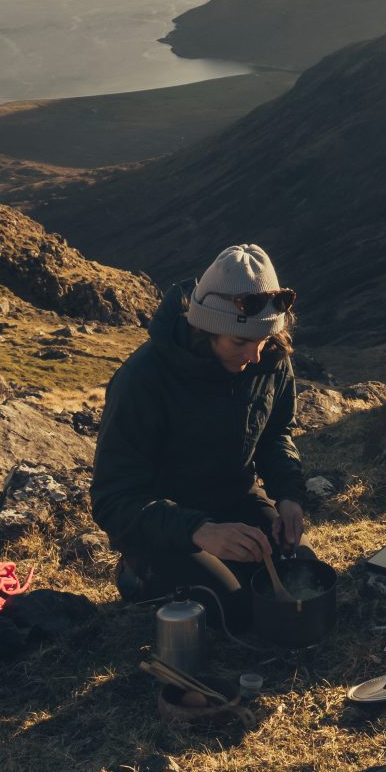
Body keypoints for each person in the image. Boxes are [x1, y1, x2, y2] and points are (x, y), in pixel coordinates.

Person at [91, 244, 307, 612]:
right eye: (241, 341)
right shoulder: (144, 379)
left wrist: (288, 494)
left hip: (235, 501)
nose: (255, 355)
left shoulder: (269, 360)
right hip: (163, 527)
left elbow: (275, 435)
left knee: (299, 574)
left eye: (263, 340)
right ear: (207, 329)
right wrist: (199, 530)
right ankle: (136, 574)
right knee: (231, 606)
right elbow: (113, 499)